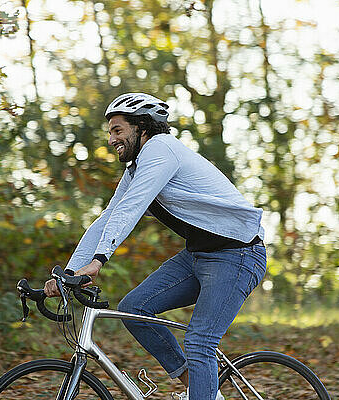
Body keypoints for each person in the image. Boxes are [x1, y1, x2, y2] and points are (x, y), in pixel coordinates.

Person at [44, 93, 267, 400]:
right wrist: (67, 272)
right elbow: (108, 217)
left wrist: (98, 260)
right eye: (110, 132)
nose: (111, 139)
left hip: (238, 256)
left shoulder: (161, 150)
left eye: (118, 130)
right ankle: (199, 387)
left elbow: (131, 208)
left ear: (143, 128)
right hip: (199, 255)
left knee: (200, 342)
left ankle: (203, 391)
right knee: (134, 308)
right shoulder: (137, 166)